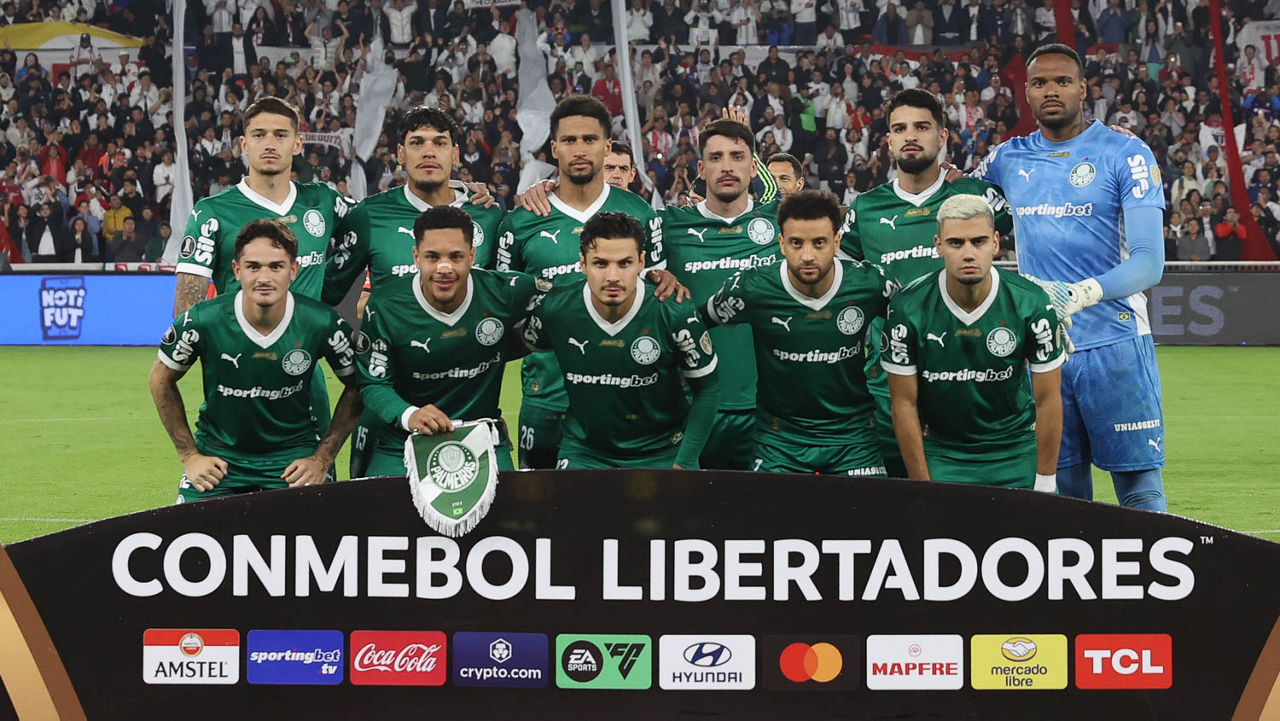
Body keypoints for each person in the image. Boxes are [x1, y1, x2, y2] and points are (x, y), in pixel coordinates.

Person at [970, 43, 1167, 510]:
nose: (1051, 91)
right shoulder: (1005, 160)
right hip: (1043, 350)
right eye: (1039, 83)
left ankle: (1143, 583)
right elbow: (961, 217)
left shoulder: (1126, 153)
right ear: (1027, 93)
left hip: (1116, 345)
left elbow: (1149, 262)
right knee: (1064, 495)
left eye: (1062, 81)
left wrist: (1080, 294)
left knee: (1139, 489)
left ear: (1084, 89)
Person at [494, 95, 678, 469]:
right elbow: (500, 314)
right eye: (570, 140)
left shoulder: (640, 215)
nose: (580, 149)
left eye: (590, 139)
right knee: (538, 519)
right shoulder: (521, 220)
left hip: (623, 401)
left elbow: (657, 305)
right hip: (545, 397)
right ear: (554, 148)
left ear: (606, 146)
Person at [322, 106, 505, 478]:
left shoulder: (487, 215)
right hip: (386, 401)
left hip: (470, 403)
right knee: (379, 524)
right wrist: (354, 344)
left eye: (440, 143)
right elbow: (322, 293)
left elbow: (509, 300)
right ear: (401, 155)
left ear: (456, 154)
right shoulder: (368, 215)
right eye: (417, 143)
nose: (428, 152)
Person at [840, 88, 1012, 479]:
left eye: (922, 126)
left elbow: (1036, 225)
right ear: (888, 141)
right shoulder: (866, 209)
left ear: (943, 136)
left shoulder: (975, 197)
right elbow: (842, 285)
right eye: (899, 129)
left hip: (971, 381)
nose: (910, 136)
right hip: (888, 387)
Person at [174, 97, 354, 445]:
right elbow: (185, 310)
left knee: (310, 489)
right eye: (258, 135)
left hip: (303, 372)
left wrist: (461, 191)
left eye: (280, 134)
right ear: (243, 145)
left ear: (298, 143)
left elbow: (387, 222)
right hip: (237, 377)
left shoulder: (324, 201)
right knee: (227, 491)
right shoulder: (212, 212)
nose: (269, 143)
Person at [149, 220, 362, 503]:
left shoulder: (322, 322)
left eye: (276, 266)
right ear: (237, 270)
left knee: (318, 540)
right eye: (253, 267)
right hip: (219, 460)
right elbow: (160, 379)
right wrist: (190, 456)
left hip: (293, 461)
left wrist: (322, 459)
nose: (264, 277)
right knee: (186, 537)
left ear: (293, 271)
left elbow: (360, 383)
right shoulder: (202, 320)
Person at [704, 190, 896, 475]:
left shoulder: (870, 284)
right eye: (796, 243)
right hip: (779, 439)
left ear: (837, 242)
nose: (807, 256)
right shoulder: (750, 288)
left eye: (819, 243)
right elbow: (693, 324)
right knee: (768, 519)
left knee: (866, 519)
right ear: (781, 243)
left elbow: (914, 320)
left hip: (853, 437)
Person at [883, 194, 1063, 489]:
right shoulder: (908, 308)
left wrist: (1045, 480)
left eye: (978, 242)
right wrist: (921, 485)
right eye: (956, 243)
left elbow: (1048, 399)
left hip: (1016, 451)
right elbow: (903, 403)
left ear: (995, 243)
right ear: (938, 245)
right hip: (943, 453)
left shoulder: (1031, 303)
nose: (968, 253)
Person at [521, 211, 720, 469]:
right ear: (582, 264)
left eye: (624, 263)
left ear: (642, 263)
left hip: (662, 451)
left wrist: (686, 459)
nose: (612, 276)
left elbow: (708, 388)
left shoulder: (673, 311)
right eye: (600, 263)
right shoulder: (556, 309)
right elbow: (511, 346)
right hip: (584, 452)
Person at [355, 206, 543, 475]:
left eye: (456, 257)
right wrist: (410, 415)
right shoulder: (386, 305)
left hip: (482, 434)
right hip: (402, 440)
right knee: (381, 512)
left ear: (472, 256)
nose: (444, 268)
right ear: (416, 257)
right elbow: (374, 382)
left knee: (508, 512)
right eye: (433, 257)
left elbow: (565, 307)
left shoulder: (506, 291)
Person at [661, 118, 782, 469]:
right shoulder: (668, 225)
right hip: (691, 409)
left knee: (765, 522)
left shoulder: (783, 223)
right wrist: (547, 187)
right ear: (701, 168)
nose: (727, 167)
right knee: (691, 521)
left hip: (768, 413)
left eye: (737, 156)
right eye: (716, 158)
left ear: (753, 166)